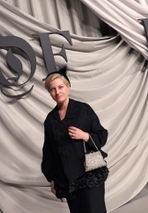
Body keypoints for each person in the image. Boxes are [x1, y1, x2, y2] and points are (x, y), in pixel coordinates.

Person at [41, 66, 109, 213]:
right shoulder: (50, 120)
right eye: (52, 89)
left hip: (90, 174)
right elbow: (49, 152)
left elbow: (102, 134)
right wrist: (52, 179)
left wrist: (85, 136)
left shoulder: (83, 110)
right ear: (50, 93)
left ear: (68, 87)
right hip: (68, 180)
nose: (57, 92)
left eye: (60, 87)